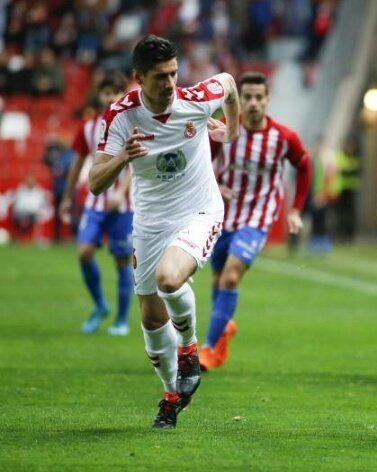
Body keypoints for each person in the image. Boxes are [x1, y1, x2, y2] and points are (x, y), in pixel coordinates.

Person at [88, 35, 240, 428]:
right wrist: (123, 157)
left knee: (169, 279)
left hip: (199, 210)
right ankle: (171, 395)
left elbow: (228, 83)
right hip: (151, 222)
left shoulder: (194, 99)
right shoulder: (120, 116)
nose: (170, 83)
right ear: (138, 77)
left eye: (174, 73)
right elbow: (95, 182)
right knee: (152, 319)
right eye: (160, 77)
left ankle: (189, 351)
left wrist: (231, 129)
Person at [199, 71, 311, 371]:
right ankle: (221, 333)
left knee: (231, 277)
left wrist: (295, 210)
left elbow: (304, 166)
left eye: (258, 97)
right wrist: (213, 185)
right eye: (246, 97)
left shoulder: (284, 138)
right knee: (217, 279)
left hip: (258, 217)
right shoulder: (223, 132)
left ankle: (207, 348)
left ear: (267, 99)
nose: (252, 103)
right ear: (237, 99)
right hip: (221, 216)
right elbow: (199, 164)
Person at [59, 72, 134, 335]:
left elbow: (134, 164)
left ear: (122, 95)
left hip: (122, 205)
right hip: (95, 201)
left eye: (115, 92)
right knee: (84, 252)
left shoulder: (131, 124)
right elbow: (78, 163)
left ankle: (122, 319)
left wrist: (120, 191)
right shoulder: (88, 126)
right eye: (106, 92)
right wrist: (67, 197)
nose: (110, 97)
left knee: (123, 260)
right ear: (99, 95)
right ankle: (101, 305)